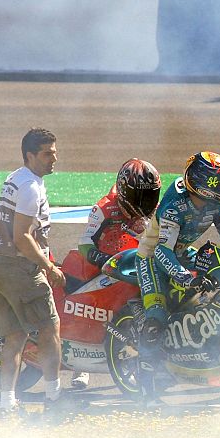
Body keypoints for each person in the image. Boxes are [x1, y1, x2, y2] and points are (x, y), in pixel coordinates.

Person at [0, 127, 82, 417]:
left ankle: (7, 404)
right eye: (47, 154)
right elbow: (22, 237)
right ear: (30, 155)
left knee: (14, 337)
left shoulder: (15, 178)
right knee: (50, 329)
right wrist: (48, 266)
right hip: (17, 267)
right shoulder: (30, 187)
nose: (54, 159)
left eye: (54, 152)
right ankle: (54, 397)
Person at [135, 151, 220, 407]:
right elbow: (162, 251)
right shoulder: (175, 205)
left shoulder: (216, 203)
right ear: (203, 183)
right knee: (156, 318)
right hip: (152, 257)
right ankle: (146, 390)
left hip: (182, 253)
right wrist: (185, 278)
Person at [69, 158, 161, 390]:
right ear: (124, 190)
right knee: (89, 304)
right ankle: (80, 364)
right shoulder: (104, 208)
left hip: (134, 263)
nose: (147, 202)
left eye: (150, 195)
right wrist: (99, 257)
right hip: (101, 266)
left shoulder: (157, 210)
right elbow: (85, 242)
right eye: (141, 196)